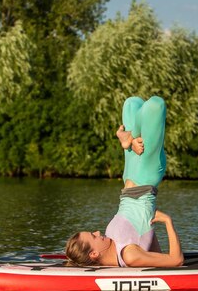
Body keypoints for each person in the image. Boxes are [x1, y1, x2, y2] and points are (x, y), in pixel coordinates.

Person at [64, 96, 184, 268]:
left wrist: (162, 220)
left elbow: (147, 239)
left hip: (131, 176)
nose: (98, 232)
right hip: (145, 178)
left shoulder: (113, 242)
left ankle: (127, 137)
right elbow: (175, 260)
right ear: (94, 253)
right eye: (93, 235)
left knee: (134, 103)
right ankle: (127, 137)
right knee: (151, 105)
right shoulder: (130, 256)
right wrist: (167, 221)